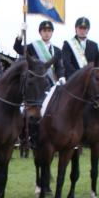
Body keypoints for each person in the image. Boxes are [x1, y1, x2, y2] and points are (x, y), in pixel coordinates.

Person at [25, 20, 65, 148]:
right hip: (37, 85)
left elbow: (59, 67)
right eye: (44, 31)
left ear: (52, 33)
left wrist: (62, 77)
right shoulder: (32, 47)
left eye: (49, 31)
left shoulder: (57, 51)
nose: (47, 33)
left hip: (51, 83)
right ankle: (32, 136)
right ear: (40, 32)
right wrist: (20, 36)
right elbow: (19, 50)